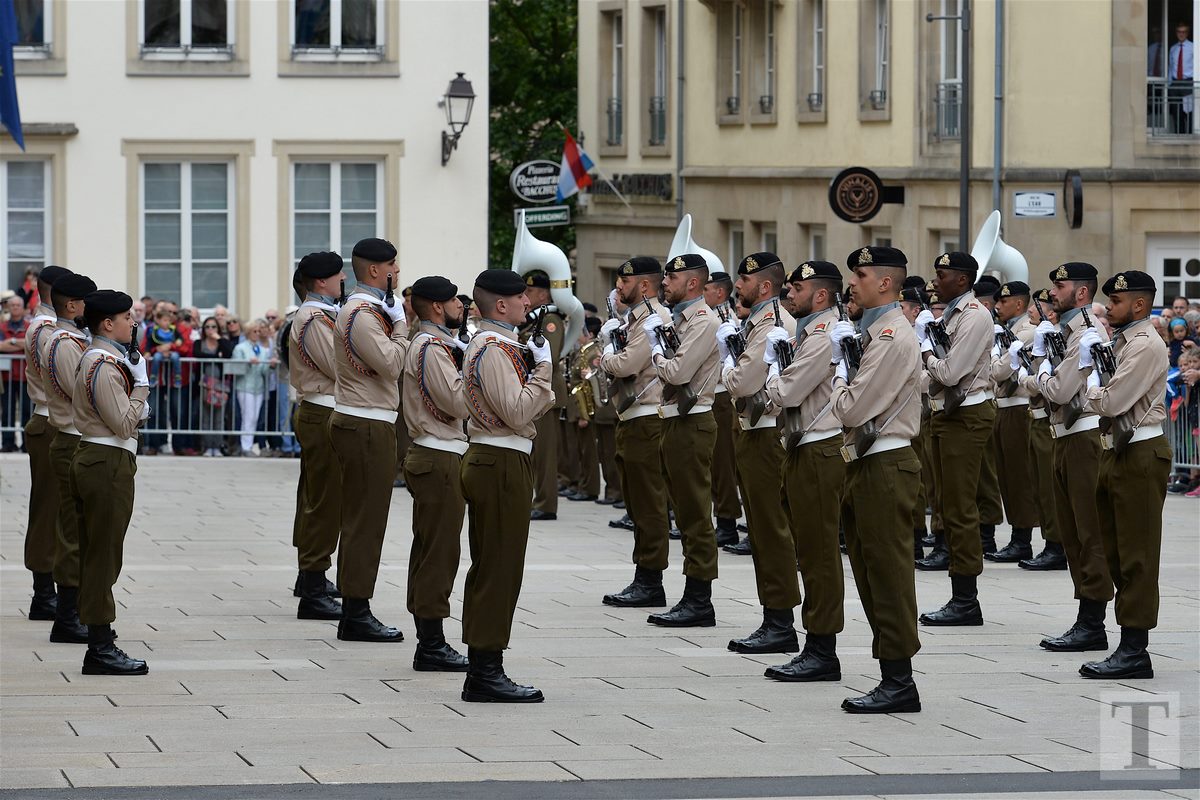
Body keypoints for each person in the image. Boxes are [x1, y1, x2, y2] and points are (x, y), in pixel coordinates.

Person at [829, 246, 923, 713]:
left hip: (886, 465)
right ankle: (891, 674)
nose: (853, 283)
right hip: (867, 463)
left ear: (886, 283)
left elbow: (850, 407)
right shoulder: (876, 333)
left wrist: (839, 369)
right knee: (869, 572)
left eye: (861, 275)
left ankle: (900, 680)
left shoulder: (889, 336)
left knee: (887, 575)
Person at [459, 268, 554, 702]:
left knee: (496, 565)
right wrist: (544, 373)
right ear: (501, 305)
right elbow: (517, 412)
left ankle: (485, 665)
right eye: (521, 298)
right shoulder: (494, 347)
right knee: (498, 568)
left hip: (499, 457)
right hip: (499, 459)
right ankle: (485, 670)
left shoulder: (496, 344)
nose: (528, 304)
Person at [1075, 270, 1171, 678]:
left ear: (1138, 305)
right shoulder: (1122, 341)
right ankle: (1126, 642)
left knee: (1137, 554)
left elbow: (1112, 400)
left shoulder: (1146, 345)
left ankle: (1135, 649)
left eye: (1115, 302)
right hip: (1117, 448)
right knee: (1115, 547)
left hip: (1140, 451)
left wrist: (1088, 386)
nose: (1108, 308)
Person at [761, 261, 845, 682]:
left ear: (821, 295)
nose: (788, 293)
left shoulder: (822, 335)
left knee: (819, 554)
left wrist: (774, 371)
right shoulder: (808, 333)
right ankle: (816, 643)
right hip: (803, 446)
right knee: (809, 551)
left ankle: (822, 648)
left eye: (797, 287)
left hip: (818, 449)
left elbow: (787, 392)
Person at [1024, 262, 1113, 653]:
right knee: (1072, 532)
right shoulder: (1066, 332)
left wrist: (1038, 373)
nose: (1052, 293)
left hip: (1082, 440)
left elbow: (1060, 391)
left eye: (1059, 286)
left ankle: (1093, 621)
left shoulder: (1085, 336)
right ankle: (1086, 617)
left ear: (1081, 293)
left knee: (1088, 531)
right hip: (1064, 437)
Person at [721, 252, 801, 654]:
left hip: (766, 435)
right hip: (754, 432)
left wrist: (725, 365)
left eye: (744, 281)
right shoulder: (757, 323)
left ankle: (780, 622)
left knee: (770, 530)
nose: (738, 287)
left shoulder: (772, 325)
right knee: (762, 530)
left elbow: (742, 381)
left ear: (764, 286)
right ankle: (774, 615)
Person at [329, 238, 408, 642]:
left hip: (367, 420)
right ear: (376, 271)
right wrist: (400, 325)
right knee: (365, 521)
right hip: (365, 422)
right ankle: (356, 611)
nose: (398, 271)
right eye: (394, 265)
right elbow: (393, 364)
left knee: (363, 518)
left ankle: (355, 606)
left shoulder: (367, 309)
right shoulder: (363, 313)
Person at [71, 289, 150, 675]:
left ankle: (98, 637)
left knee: (99, 550)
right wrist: (142, 386)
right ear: (108, 323)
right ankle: (100, 646)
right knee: (104, 553)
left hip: (103, 457)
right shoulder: (102, 363)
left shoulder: (102, 359)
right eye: (127, 317)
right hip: (107, 459)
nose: (132, 323)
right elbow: (122, 423)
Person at [914, 253, 995, 627]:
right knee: (947, 503)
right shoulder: (952, 314)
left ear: (961, 281)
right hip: (949, 414)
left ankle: (967, 599)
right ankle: (961, 594)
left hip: (967, 416)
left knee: (961, 508)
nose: (935, 281)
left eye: (941, 275)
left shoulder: (975, 315)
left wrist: (926, 350)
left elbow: (950, 371)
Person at [641, 254, 722, 626]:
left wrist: (655, 351)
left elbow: (677, 372)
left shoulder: (703, 321)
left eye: (671, 277)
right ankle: (692, 595)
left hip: (692, 423)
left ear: (692, 283)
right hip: (675, 421)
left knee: (694, 513)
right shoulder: (681, 320)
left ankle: (699, 599)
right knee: (683, 511)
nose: (664, 283)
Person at [401, 276, 471, 672]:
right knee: (439, 553)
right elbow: (458, 401)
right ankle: (431, 643)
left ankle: (429, 638)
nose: (461, 306)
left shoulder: (435, 344)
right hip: (438, 454)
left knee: (432, 548)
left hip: (438, 454)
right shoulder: (431, 347)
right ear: (438, 307)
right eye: (454, 302)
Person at [599, 258, 674, 611]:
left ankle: (650, 579)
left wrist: (608, 352)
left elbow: (626, 364)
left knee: (648, 503)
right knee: (636, 500)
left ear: (643, 286)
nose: (618, 286)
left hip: (647, 418)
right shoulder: (637, 318)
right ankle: (644, 574)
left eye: (623, 280)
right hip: (632, 418)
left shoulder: (653, 318)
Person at [39, 271, 98, 645]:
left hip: (79, 438)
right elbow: (83, 392)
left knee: (82, 530)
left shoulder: (76, 339)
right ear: (73, 306)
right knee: (73, 531)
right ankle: (67, 615)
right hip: (72, 438)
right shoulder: (63, 342)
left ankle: (74, 610)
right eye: (86, 302)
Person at [288, 253, 345, 621]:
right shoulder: (314, 317)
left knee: (317, 495)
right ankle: (312, 583)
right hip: (322, 408)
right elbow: (338, 364)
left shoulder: (318, 315)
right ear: (321, 282)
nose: (344, 280)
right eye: (339, 275)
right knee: (324, 499)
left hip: (321, 408)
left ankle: (311, 575)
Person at [21, 265, 71, 622]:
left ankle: (49, 587)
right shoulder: (46, 329)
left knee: (59, 511)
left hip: (54, 421)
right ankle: (43, 590)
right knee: (47, 510)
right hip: (49, 420)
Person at [986, 281, 1041, 563]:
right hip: (1004, 408)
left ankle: (1023, 539)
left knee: (1019, 477)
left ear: (1018, 304)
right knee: (1007, 477)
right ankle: (1018, 536)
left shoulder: (1027, 333)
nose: (998, 306)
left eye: (1004, 302)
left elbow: (998, 370)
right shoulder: (1009, 331)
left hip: (1018, 409)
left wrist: (997, 352)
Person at [1017, 290, 1068, 570]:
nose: (1031, 312)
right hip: (1038, 415)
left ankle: (1057, 545)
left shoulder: (1054, 335)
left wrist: (1030, 378)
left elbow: (1044, 381)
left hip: (1051, 418)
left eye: (1037, 308)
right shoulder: (1040, 334)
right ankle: (1051, 543)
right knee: (1040, 487)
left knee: (1050, 489)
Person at [523, 271, 567, 521]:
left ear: (543, 293)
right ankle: (538, 499)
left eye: (530, 291)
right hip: (536, 392)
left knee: (545, 454)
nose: (527, 297)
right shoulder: (534, 319)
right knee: (535, 452)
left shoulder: (550, 319)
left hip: (548, 392)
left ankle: (547, 503)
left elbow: (550, 354)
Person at [703, 271, 742, 546]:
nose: (702, 294)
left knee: (723, 463)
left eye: (707, 289)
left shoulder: (726, 321)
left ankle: (727, 521)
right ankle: (722, 517)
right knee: (714, 465)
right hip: (711, 396)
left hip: (722, 395)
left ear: (719, 293)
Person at [192, 316, 233, 457]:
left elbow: (229, 353)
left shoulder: (223, 342)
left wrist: (219, 340)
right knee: (206, 416)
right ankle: (208, 446)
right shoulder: (199, 342)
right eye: (207, 327)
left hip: (221, 385)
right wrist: (217, 356)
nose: (210, 329)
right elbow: (197, 354)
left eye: (213, 327)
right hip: (204, 384)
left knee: (219, 417)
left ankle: (218, 446)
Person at [232, 320, 273, 456]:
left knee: (254, 417)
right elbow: (237, 367)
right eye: (254, 331)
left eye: (258, 331)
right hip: (245, 386)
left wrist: (269, 365)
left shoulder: (261, 349)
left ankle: (248, 445)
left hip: (258, 387)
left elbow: (263, 371)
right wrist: (248, 363)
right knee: (247, 416)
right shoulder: (240, 348)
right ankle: (246, 446)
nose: (257, 334)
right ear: (248, 333)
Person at [1, 295, 32, 452]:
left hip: (26, 377)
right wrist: (20, 345)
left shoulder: (29, 326)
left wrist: (11, 342)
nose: (14, 307)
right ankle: (8, 443)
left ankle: (27, 444)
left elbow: (30, 344)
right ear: (8, 307)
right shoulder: (2, 326)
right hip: (7, 377)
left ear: (22, 307)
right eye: (12, 305)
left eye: (17, 305)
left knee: (27, 411)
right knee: (7, 411)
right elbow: (0, 346)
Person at [1168, 22, 1194, 134]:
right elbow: (1170, 67)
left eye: (1184, 32)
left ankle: (1188, 136)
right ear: (1176, 33)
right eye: (1179, 31)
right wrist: (1169, 84)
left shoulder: (1194, 47)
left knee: (1188, 112)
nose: (1181, 34)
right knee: (1176, 112)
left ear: (1187, 33)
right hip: (1175, 83)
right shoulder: (1173, 49)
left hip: (1187, 83)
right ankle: (1179, 135)